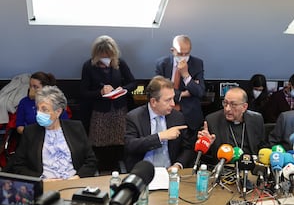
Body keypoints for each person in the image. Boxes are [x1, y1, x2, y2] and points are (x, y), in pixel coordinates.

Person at [10, 86, 97, 181]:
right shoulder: (30, 132)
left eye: (44, 110)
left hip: (74, 182)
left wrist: (77, 177)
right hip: (45, 184)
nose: (39, 114)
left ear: (58, 112)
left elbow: (91, 161)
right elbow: (18, 165)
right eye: (38, 109)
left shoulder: (76, 128)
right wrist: (41, 180)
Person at [80, 35, 137, 172]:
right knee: (99, 141)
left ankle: (117, 167)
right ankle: (100, 168)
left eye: (109, 56)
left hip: (119, 109)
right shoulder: (88, 66)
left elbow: (133, 83)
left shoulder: (119, 63)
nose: (106, 59)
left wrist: (123, 90)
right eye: (103, 56)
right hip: (100, 111)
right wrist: (100, 92)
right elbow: (83, 92)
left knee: (119, 141)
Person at [124, 76, 194, 172]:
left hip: (170, 171)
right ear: (153, 102)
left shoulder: (178, 117)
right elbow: (130, 145)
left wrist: (178, 165)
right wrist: (160, 137)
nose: (173, 104)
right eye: (168, 100)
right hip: (143, 172)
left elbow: (187, 148)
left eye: (173, 98)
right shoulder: (134, 117)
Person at [155, 35, 205, 145]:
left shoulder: (197, 63)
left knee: (190, 152)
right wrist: (183, 93)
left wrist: (186, 75)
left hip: (190, 117)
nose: (183, 57)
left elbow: (200, 92)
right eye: (180, 54)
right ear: (172, 51)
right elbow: (158, 90)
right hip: (167, 114)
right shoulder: (162, 64)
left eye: (186, 54)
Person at [197, 87, 265, 160]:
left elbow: (262, 148)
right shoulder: (212, 121)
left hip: (250, 166)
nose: (227, 109)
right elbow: (205, 158)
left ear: (244, 107)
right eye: (225, 103)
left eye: (233, 104)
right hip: (224, 167)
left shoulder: (256, 119)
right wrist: (207, 144)